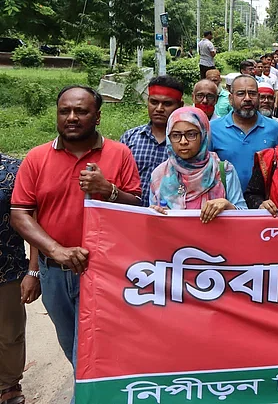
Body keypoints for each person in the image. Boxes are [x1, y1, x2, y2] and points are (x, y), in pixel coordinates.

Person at [10, 86, 141, 403]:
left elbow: (137, 206)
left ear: (97, 115)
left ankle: (88, 398)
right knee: (71, 345)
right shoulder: (37, 158)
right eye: (64, 111)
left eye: (81, 111)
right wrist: (51, 255)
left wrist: (107, 190)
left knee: (91, 350)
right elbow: (20, 213)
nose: (71, 117)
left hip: (104, 272)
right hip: (55, 273)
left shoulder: (118, 154)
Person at [149, 107, 246, 220]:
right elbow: (151, 222)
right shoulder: (159, 175)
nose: (183, 141)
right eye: (176, 135)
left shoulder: (223, 171)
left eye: (191, 134)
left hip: (216, 237)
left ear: (204, 135)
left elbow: (244, 215)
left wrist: (227, 206)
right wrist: (155, 215)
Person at [0, 153, 40, 404]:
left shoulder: (14, 170)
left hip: (8, 269)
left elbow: (33, 221)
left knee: (9, 333)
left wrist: (33, 271)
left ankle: (8, 385)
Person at [210, 75, 278, 189]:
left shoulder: (274, 128)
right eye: (241, 94)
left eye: (252, 93)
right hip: (225, 203)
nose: (247, 98)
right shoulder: (213, 128)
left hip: (263, 203)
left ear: (258, 97)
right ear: (230, 99)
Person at [120, 76, 184, 206]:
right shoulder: (130, 138)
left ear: (180, 105)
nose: (159, 109)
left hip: (170, 219)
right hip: (133, 216)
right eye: (154, 102)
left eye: (167, 104)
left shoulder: (186, 143)